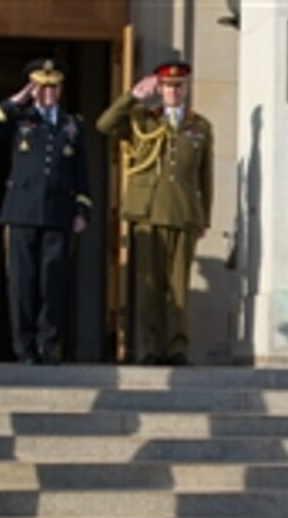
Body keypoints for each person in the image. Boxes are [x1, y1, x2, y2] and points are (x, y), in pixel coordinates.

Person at [96, 60, 213, 365]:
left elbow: (205, 178)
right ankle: (152, 347)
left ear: (186, 89)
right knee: (151, 287)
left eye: (178, 86)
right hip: (148, 213)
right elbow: (104, 124)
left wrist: (204, 218)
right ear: (158, 89)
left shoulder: (200, 126)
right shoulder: (143, 120)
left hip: (183, 214)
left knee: (178, 287)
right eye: (167, 86)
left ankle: (176, 348)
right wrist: (133, 96)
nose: (173, 92)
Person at [0, 57, 91, 364]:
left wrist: (82, 209)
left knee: (53, 281)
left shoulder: (71, 124)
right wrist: (15, 102)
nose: (48, 93)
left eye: (53, 87)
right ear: (33, 87)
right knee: (23, 282)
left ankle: (48, 344)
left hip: (59, 212)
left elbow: (82, 173)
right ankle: (24, 346)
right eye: (42, 86)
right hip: (21, 211)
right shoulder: (19, 118)